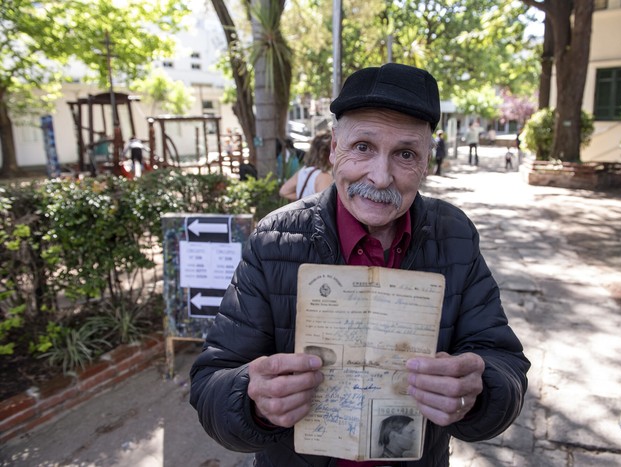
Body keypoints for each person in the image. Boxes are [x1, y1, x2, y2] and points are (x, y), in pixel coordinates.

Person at [190, 63, 530, 467]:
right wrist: (251, 398)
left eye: (405, 154)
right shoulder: (274, 239)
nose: (381, 177)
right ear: (334, 148)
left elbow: (505, 364)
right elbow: (210, 381)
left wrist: (478, 390)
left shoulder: (453, 235)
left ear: (425, 162)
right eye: (363, 147)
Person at [278, 131, 333, 200]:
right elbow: (326, 205)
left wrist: (304, 200)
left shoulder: (303, 171)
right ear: (328, 153)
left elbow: (283, 192)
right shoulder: (324, 177)